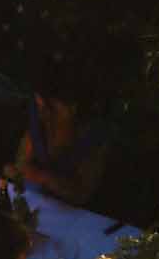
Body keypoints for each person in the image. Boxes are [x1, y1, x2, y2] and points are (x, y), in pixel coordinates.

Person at [10, 66, 108, 206]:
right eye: (39, 105)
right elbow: (20, 166)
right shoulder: (41, 123)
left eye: (50, 106)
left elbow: (81, 195)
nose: (42, 112)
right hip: (42, 207)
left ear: (73, 107)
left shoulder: (93, 137)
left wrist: (42, 177)